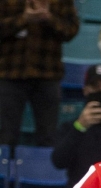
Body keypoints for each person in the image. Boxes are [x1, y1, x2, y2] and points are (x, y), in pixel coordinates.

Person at [0, 0, 79, 148]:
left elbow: (71, 30)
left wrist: (49, 18)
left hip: (48, 73)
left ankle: (44, 171)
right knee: (6, 135)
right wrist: (23, 19)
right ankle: (3, 170)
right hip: (10, 73)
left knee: (48, 136)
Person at [52, 64, 101, 188]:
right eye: (95, 86)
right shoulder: (70, 127)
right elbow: (58, 161)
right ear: (85, 90)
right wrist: (80, 127)